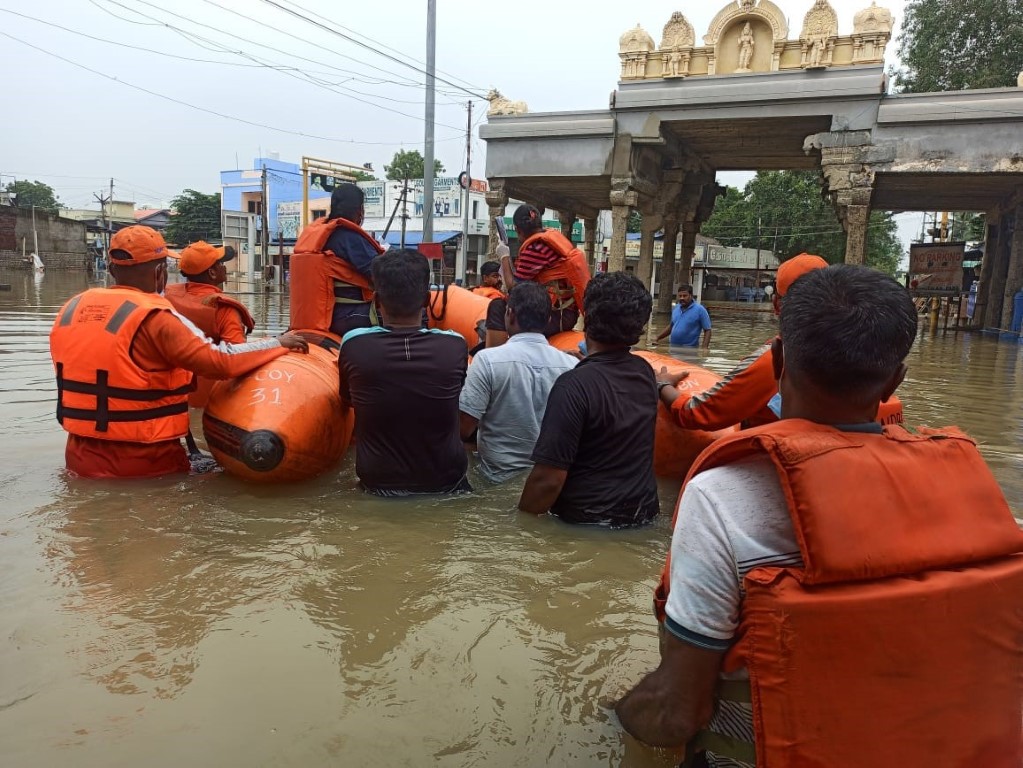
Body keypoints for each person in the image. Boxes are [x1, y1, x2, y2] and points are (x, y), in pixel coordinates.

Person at [615, 265, 1023, 768]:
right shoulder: (974, 494)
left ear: (779, 358)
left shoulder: (721, 497)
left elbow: (677, 712)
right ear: (896, 378)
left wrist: (609, 716)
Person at [49, 225, 309, 479]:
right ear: (161, 271)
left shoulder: (71, 309)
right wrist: (278, 343)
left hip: (78, 456)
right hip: (147, 462)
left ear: (112, 268)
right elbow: (221, 361)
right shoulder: (156, 317)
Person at [518, 272, 659, 527]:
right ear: (640, 327)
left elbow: (548, 480)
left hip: (585, 522)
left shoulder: (572, 386)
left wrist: (518, 524)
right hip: (643, 515)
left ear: (588, 317)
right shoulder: (644, 372)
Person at [338, 248, 470, 496]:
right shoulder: (455, 346)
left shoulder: (354, 344)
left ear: (377, 301)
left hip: (378, 485)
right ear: (425, 301)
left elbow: (347, 400)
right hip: (448, 484)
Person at [658, 254, 827, 430]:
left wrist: (662, 384)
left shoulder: (775, 360)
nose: (682, 298)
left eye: (685, 295)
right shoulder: (852, 354)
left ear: (776, 304)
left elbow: (699, 413)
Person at [459, 282, 578, 482]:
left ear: (510, 314)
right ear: (549, 319)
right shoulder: (571, 365)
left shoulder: (487, 361)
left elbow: (463, 428)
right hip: (546, 483)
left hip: (494, 479)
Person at [165, 241, 255, 408]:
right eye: (221, 263)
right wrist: (277, 345)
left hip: (175, 399)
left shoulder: (166, 299)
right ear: (212, 273)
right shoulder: (224, 309)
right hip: (211, 403)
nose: (224, 267)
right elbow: (236, 359)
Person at [485, 204, 591, 346]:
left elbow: (513, 288)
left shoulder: (535, 248)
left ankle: (494, 357)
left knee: (497, 307)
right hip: (566, 313)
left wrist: (504, 256)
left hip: (555, 317)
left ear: (517, 230)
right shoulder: (551, 238)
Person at [289, 183, 385, 337]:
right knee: (415, 313)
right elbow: (384, 276)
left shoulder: (317, 233)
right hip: (347, 316)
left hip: (320, 317)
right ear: (360, 210)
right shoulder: (350, 237)